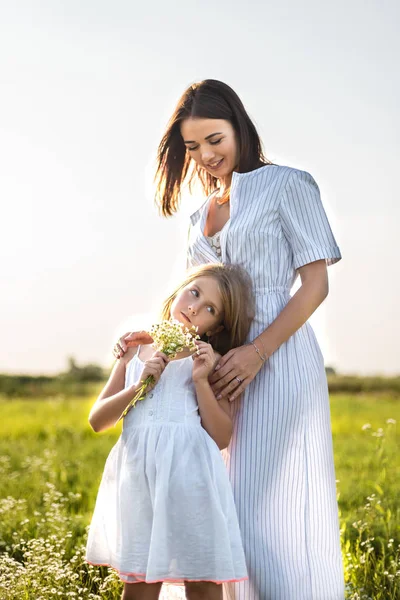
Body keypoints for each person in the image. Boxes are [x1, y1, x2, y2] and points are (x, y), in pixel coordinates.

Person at [118, 79, 345, 599]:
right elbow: (190, 303)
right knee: (214, 506)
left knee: (255, 509)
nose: (206, 155)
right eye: (192, 146)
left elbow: (316, 284)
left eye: (214, 139)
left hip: (279, 357)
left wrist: (258, 351)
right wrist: (153, 337)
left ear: (239, 126)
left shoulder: (288, 184)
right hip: (211, 372)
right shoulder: (198, 216)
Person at [85, 263, 255, 600]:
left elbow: (221, 436)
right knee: (140, 583)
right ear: (178, 291)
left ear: (217, 325)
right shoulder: (134, 349)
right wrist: (139, 385)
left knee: (202, 581)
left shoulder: (212, 361)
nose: (194, 307)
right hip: (141, 482)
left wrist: (201, 380)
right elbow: (98, 420)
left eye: (209, 308)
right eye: (194, 293)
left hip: (192, 483)